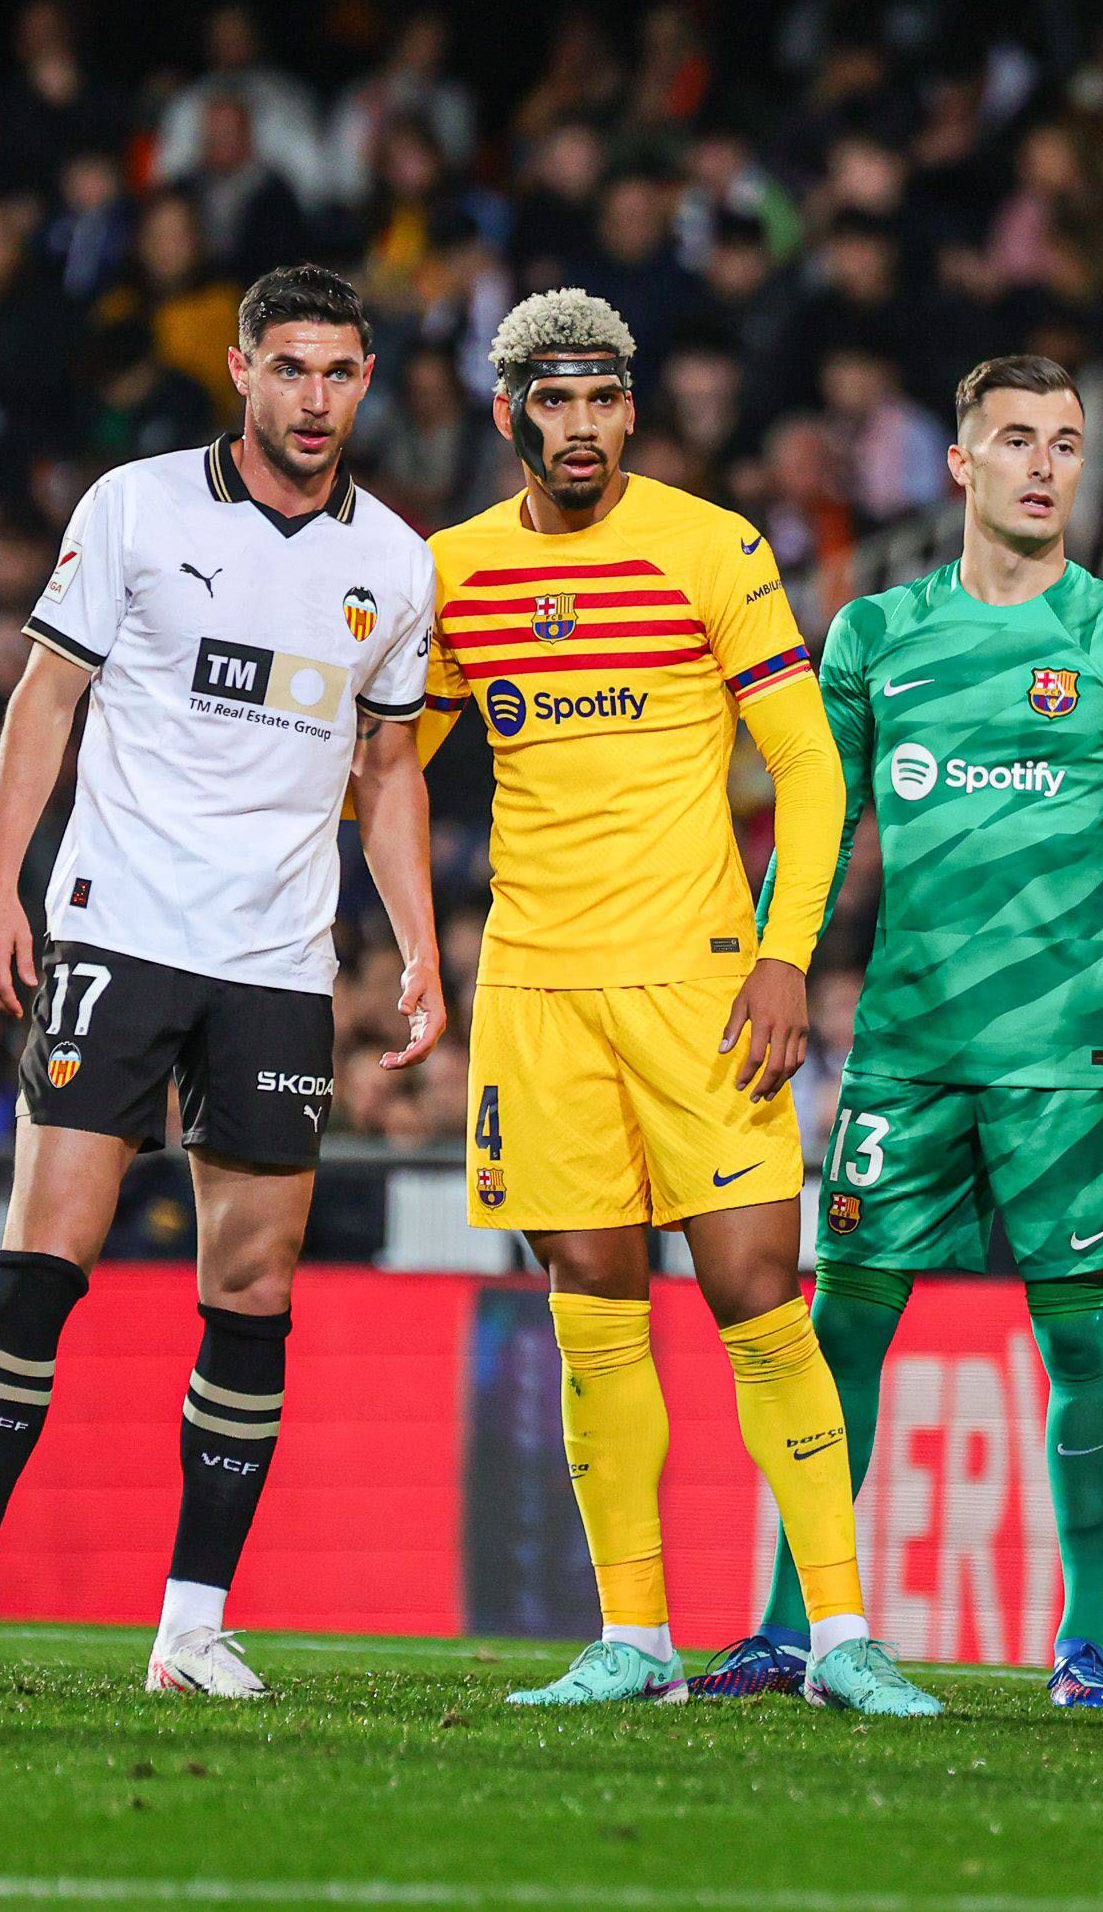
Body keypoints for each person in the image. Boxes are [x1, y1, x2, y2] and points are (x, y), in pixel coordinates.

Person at [0, 264, 444, 1702]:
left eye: (341, 372)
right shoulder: (135, 505)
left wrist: (422, 945)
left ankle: (191, 1623)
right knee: (46, 1258)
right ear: (241, 367)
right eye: (291, 368)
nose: (314, 398)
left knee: (252, 1288)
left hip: (277, 959)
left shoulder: (393, 560)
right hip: (121, 926)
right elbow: (48, 695)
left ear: (365, 382)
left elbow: (387, 771)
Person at [687, 354, 1103, 1711]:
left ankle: (1086, 1640)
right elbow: (817, 820)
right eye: (1017, 439)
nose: (1046, 464)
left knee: (1080, 1342)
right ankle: (791, 1623)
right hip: (908, 1047)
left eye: (1066, 441)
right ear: (960, 463)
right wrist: (777, 956)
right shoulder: (874, 637)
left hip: (1070, 1055)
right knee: (844, 1330)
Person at [413, 288, 934, 1717]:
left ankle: (838, 1632)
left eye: (602, 399)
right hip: (533, 986)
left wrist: (784, 955)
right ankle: (633, 1636)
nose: (578, 426)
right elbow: (390, 760)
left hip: (699, 980)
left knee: (757, 1289)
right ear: (508, 409)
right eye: (551, 400)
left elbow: (812, 767)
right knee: (591, 1291)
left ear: (630, 409)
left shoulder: (712, 547)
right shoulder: (450, 569)